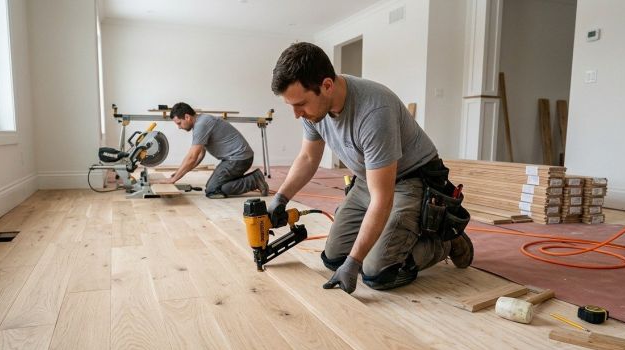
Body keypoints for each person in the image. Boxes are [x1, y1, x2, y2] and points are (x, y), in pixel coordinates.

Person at [268, 42, 473, 294]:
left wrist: (355, 263)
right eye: (291, 106)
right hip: (369, 178)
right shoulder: (314, 110)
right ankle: (393, 240)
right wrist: (280, 198)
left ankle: (445, 242)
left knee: (376, 274)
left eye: (300, 104)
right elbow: (309, 158)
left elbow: (382, 198)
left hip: (410, 180)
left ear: (327, 85)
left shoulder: (374, 110)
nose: (296, 114)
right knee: (333, 259)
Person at [151, 102, 269, 198]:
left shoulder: (201, 125)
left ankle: (254, 180)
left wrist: (173, 179)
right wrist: (179, 172)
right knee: (215, 187)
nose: (179, 127)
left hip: (238, 159)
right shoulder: (201, 121)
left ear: (187, 117)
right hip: (236, 158)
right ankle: (253, 179)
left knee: (213, 190)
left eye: (179, 123)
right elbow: (199, 155)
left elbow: (192, 157)